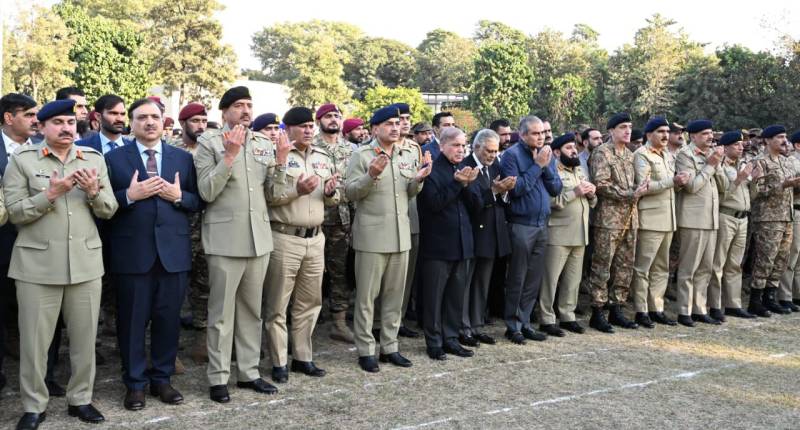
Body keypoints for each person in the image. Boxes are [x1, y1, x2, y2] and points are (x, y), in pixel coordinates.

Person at [4, 99, 118, 429]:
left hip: (84, 264)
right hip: (37, 267)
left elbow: (109, 209)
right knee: (35, 344)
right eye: (58, 123)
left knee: (84, 342)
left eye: (71, 122)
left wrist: (95, 191)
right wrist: (49, 195)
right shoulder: (23, 161)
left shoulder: (93, 159)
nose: (67, 128)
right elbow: (14, 214)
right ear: (41, 127)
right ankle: (34, 405)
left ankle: (80, 400)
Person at [105, 98, 202, 410]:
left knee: (167, 320)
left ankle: (162, 379)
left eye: (154, 117)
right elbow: (102, 205)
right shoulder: (114, 159)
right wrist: (129, 196)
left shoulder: (182, 159)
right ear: (131, 123)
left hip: (172, 254)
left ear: (164, 122)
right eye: (141, 117)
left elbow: (196, 201)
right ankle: (134, 383)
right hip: (132, 255)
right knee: (131, 323)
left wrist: (178, 196)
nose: (149, 122)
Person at [194, 86, 289, 402]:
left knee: (251, 311)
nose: (246, 111)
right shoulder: (208, 142)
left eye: (249, 105)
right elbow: (207, 191)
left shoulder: (263, 142)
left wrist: (283, 162)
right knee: (221, 313)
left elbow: (273, 194)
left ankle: (248, 373)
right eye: (238, 105)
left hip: (258, 238)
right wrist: (230, 155)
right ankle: (219, 377)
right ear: (224, 112)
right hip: (224, 239)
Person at [345, 105, 431, 372]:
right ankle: (366, 349)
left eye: (397, 123)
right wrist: (371, 175)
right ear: (375, 129)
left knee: (395, 296)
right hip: (371, 237)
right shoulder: (361, 154)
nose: (395, 128)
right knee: (367, 298)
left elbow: (410, 192)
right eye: (388, 124)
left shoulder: (408, 152)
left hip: (400, 235)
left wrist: (418, 180)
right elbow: (350, 192)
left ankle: (390, 346)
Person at [264, 106, 339, 383]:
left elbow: (331, 198)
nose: (309, 130)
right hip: (285, 237)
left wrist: (330, 192)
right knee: (278, 304)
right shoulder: (277, 155)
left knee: (310, 303)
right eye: (303, 126)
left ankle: (303, 357)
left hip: (315, 239)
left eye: (311, 126)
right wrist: (297, 190)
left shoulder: (321, 156)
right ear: (288, 128)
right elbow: (271, 196)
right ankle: (279, 361)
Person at [418, 127, 482, 359]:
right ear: (442, 145)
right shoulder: (431, 169)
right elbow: (433, 204)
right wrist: (457, 184)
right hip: (438, 245)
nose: (460, 150)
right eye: (455, 145)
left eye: (463, 145)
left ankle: (451, 338)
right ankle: (434, 342)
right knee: (434, 297)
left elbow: (476, 207)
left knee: (456, 296)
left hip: (463, 243)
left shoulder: (464, 168)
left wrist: (466, 184)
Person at [500, 115, 562, 344]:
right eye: (535, 133)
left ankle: (525, 322)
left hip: (541, 225)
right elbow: (517, 189)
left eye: (543, 133)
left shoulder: (547, 154)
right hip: (521, 225)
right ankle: (513, 325)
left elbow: (556, 187)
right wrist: (537, 166)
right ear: (523, 134)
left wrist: (544, 167)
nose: (540, 137)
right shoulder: (511, 156)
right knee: (517, 276)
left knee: (534, 278)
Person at [588, 113, 647, 333]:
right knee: (602, 266)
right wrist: (630, 194)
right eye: (623, 127)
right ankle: (597, 310)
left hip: (630, 218)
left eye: (630, 127)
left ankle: (617, 307)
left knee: (625, 266)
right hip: (609, 219)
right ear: (611, 130)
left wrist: (638, 191)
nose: (628, 131)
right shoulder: (602, 153)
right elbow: (601, 185)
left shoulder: (631, 155)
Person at [631, 117, 689, 327]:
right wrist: (672, 181)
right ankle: (641, 310)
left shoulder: (667, 155)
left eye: (667, 131)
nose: (666, 135)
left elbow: (669, 186)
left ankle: (656, 308)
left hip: (667, 218)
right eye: (660, 131)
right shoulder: (641, 155)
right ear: (648, 135)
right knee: (643, 268)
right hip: (650, 218)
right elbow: (644, 186)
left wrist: (680, 183)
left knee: (662, 268)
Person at [539, 132, 595, 336]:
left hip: (580, 232)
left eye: (574, 147)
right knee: (550, 279)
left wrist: (591, 195)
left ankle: (567, 315)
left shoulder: (579, 169)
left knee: (573, 279)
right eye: (568, 148)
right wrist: (575, 192)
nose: (574, 151)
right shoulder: (551, 170)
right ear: (556, 152)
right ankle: (546, 318)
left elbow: (588, 201)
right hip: (558, 233)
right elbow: (550, 202)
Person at [460, 129, 513, 345]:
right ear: (477, 147)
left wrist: (504, 191)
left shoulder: (496, 166)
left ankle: (477, 324)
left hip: (492, 234)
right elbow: (472, 202)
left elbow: (501, 200)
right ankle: (463, 328)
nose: (492, 155)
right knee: (466, 284)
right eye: (489, 151)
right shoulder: (466, 166)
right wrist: (494, 192)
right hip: (472, 233)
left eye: (496, 151)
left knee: (482, 283)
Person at [675, 119, 728, 326]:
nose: (710, 137)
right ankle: (684, 311)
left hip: (711, 219)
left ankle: (699, 308)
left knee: (706, 268)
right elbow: (692, 187)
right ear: (693, 136)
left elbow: (724, 187)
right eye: (705, 133)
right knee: (689, 268)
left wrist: (717, 164)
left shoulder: (711, 155)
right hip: (693, 219)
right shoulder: (684, 155)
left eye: (711, 133)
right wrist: (710, 165)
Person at [311, 104, 356, 344]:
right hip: (315, 217)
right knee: (310, 273)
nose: (333, 120)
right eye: (328, 116)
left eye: (337, 116)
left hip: (342, 219)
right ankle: (305, 322)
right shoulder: (310, 146)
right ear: (319, 120)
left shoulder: (352, 149)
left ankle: (338, 322)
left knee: (340, 272)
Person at [748, 125, 799, 316]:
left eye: (785, 137)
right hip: (767, 219)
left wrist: (794, 185)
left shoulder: (786, 162)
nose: (784, 140)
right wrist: (783, 184)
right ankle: (755, 300)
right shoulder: (759, 162)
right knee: (765, 260)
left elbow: (791, 187)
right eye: (779, 137)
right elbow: (756, 192)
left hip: (786, 216)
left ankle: (770, 298)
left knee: (781, 260)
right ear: (767, 140)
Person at [710, 131, 759, 319]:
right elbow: (722, 195)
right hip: (726, 216)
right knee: (718, 263)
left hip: (743, 218)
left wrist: (753, 180)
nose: (742, 147)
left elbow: (751, 197)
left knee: (735, 264)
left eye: (742, 144)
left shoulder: (742, 166)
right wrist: (740, 178)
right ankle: (714, 305)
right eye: (737, 144)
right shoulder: (721, 166)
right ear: (727, 147)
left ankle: (733, 304)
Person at [779, 130, 800, 312]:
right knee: (791, 255)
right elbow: (791, 183)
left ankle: (796, 293)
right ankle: (785, 296)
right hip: (795, 210)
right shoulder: (792, 160)